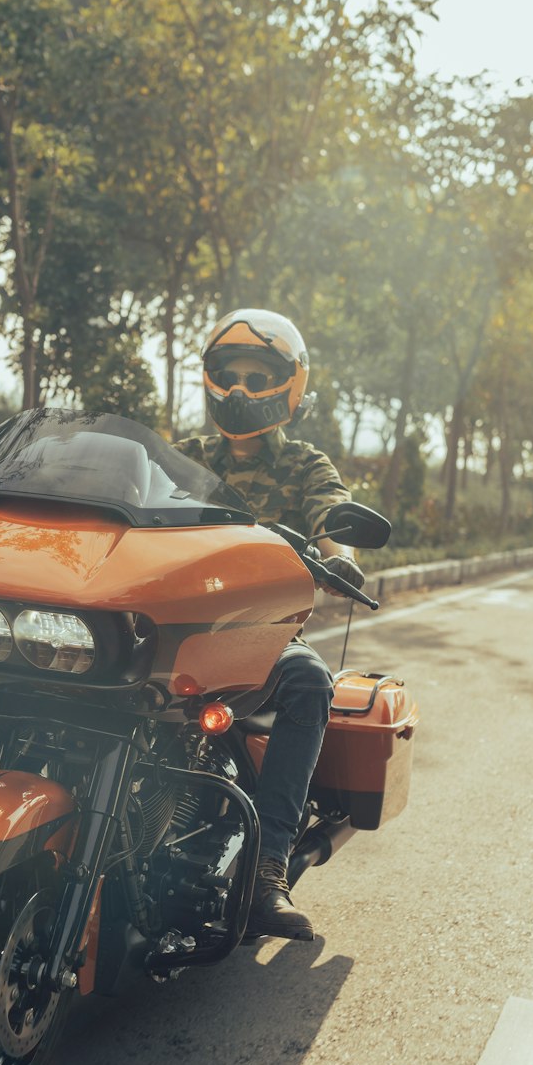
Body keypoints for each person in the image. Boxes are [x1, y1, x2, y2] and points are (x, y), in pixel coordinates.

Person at [175, 307, 366, 941]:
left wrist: (341, 556)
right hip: (172, 634)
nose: (239, 390)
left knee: (310, 678)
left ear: (288, 385)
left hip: (260, 639)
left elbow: (332, 511)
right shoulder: (183, 459)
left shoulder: (301, 465)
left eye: (258, 376)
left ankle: (265, 871)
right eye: (229, 375)